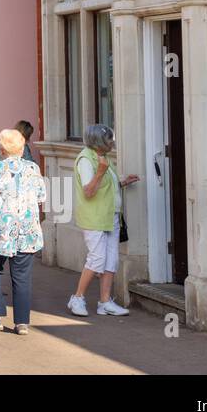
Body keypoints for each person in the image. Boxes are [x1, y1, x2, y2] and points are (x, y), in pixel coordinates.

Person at [0, 128, 47, 335]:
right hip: (26, 230)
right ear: (22, 148)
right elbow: (42, 195)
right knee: (22, 276)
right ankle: (21, 323)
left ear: (3, 149)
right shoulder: (32, 168)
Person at [67, 124, 140, 317]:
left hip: (110, 215)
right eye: (109, 140)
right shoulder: (86, 159)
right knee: (97, 258)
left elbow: (105, 186)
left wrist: (123, 182)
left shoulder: (104, 158)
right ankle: (77, 298)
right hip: (94, 217)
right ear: (99, 142)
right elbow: (89, 191)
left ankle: (105, 302)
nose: (112, 143)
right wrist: (100, 171)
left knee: (111, 259)